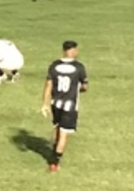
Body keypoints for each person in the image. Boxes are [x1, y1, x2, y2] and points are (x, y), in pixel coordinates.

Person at [40, 41, 88, 172]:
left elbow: (48, 85)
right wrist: (80, 89)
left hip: (55, 103)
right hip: (70, 105)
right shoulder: (79, 67)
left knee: (58, 126)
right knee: (64, 133)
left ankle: (54, 148)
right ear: (72, 51)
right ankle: (54, 161)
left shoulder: (54, 66)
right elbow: (84, 86)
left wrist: (44, 103)